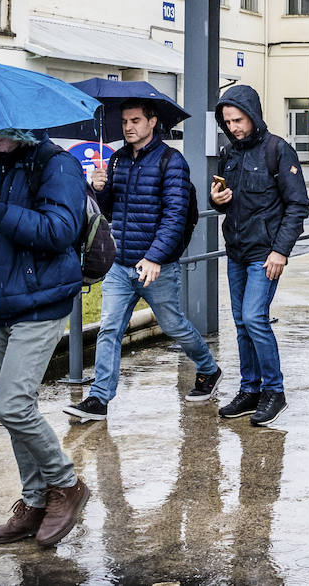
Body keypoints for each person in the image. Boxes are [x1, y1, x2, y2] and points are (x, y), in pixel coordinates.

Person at [0, 128, 89, 548]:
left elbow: (60, 230)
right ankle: (34, 501)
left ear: (23, 128)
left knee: (12, 405)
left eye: (2, 132)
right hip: (2, 303)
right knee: (13, 410)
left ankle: (67, 484)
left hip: (40, 304)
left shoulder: (58, 165)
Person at [64, 100, 222, 422]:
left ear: (152, 122)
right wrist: (99, 187)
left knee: (173, 325)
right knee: (109, 329)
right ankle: (99, 399)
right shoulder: (118, 159)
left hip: (155, 267)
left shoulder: (171, 162)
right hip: (120, 265)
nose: (127, 127)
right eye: (124, 121)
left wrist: (154, 258)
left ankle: (208, 368)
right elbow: (109, 210)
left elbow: (175, 216)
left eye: (135, 120)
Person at [209, 85, 309, 426]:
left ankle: (274, 391)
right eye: (227, 122)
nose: (234, 127)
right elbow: (225, 198)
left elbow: (297, 206)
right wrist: (216, 200)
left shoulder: (278, 151)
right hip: (236, 251)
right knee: (241, 324)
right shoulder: (229, 153)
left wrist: (281, 251)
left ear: (253, 115)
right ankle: (250, 390)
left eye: (239, 119)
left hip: (265, 254)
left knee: (254, 318)